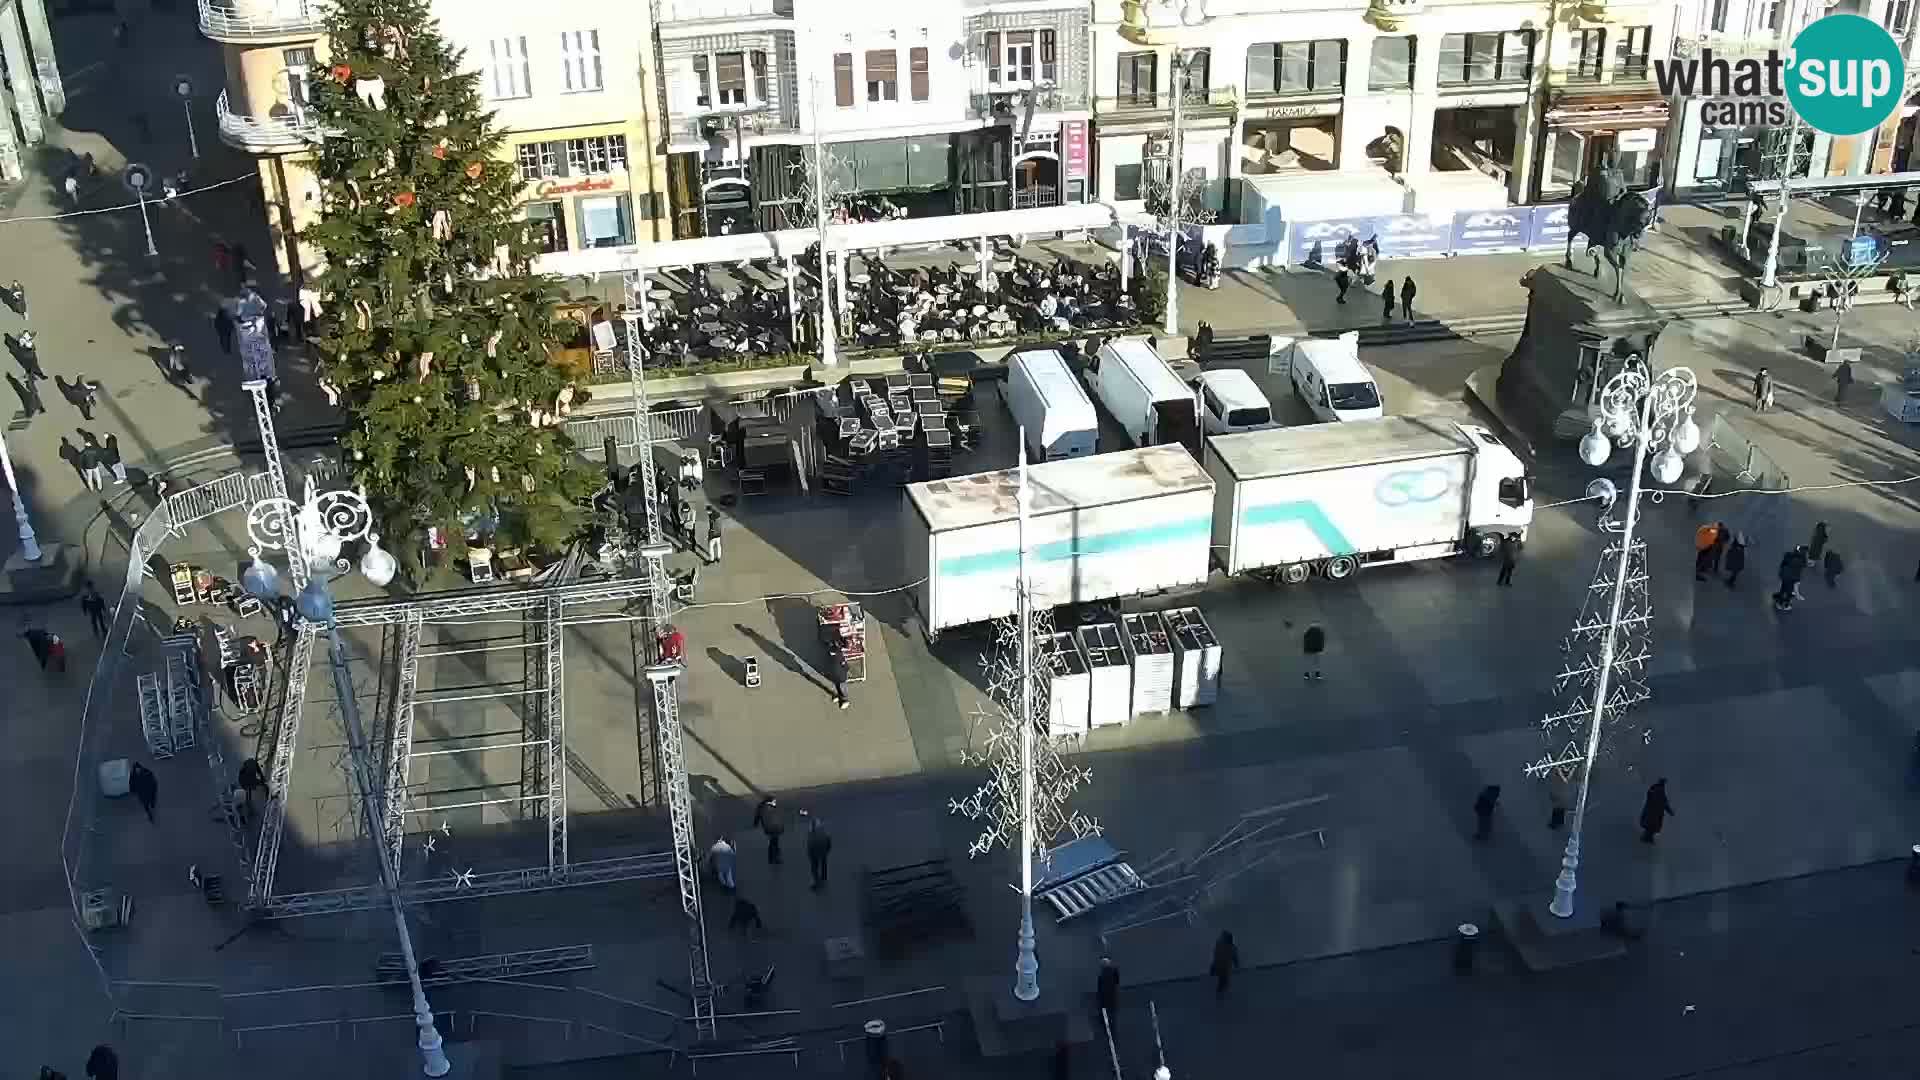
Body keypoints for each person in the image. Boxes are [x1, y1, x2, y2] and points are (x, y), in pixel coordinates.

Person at [1638, 778, 1674, 843]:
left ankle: (1646, 838)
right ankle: (1647, 839)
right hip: (1654, 814)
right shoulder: (1659, 792)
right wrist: (1670, 812)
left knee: (1650, 827)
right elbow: (1665, 804)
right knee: (1651, 827)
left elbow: (1663, 803)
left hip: (1651, 813)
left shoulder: (1653, 789)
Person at [753, 795, 785, 865]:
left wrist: (755, 824)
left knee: (773, 843)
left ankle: (772, 858)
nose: (775, 802)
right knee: (774, 843)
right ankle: (775, 858)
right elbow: (776, 819)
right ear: (769, 802)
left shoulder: (761, 807)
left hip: (769, 828)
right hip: (773, 828)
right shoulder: (769, 808)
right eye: (774, 801)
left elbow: (757, 817)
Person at [805, 811, 832, 890]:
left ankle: (816, 882)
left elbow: (810, 844)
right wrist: (828, 849)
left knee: (814, 867)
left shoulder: (811, 834)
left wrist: (809, 853)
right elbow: (828, 841)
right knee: (823, 863)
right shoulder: (823, 832)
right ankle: (824, 877)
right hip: (823, 850)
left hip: (814, 852)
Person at [1209, 930, 1240, 998]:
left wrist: (1213, 965)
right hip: (1223, 967)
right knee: (1223, 982)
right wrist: (1237, 964)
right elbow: (1234, 956)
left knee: (1223, 982)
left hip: (1222, 966)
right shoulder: (1230, 946)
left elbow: (1215, 955)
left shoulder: (1220, 945)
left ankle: (1220, 995)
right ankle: (1220, 996)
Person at [1095, 958, 1120, 1025]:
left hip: (1106, 998)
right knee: (1112, 1013)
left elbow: (1099, 989)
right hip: (1111, 997)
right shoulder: (1113, 971)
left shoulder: (1101, 975)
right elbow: (1117, 982)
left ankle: (1107, 1023)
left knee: (1109, 1013)